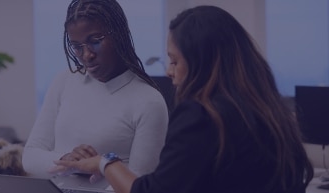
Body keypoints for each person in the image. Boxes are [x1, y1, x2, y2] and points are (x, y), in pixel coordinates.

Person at [55, 5, 314, 193]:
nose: (169, 70)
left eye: (175, 60)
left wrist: (104, 163)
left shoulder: (202, 115)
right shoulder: (269, 113)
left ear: (203, 62)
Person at [22, 0, 169, 178]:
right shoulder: (64, 81)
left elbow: (140, 186)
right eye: (76, 46)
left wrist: (100, 166)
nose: (87, 55)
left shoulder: (148, 101)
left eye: (95, 41)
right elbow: (29, 156)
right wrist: (67, 160)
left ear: (119, 35)